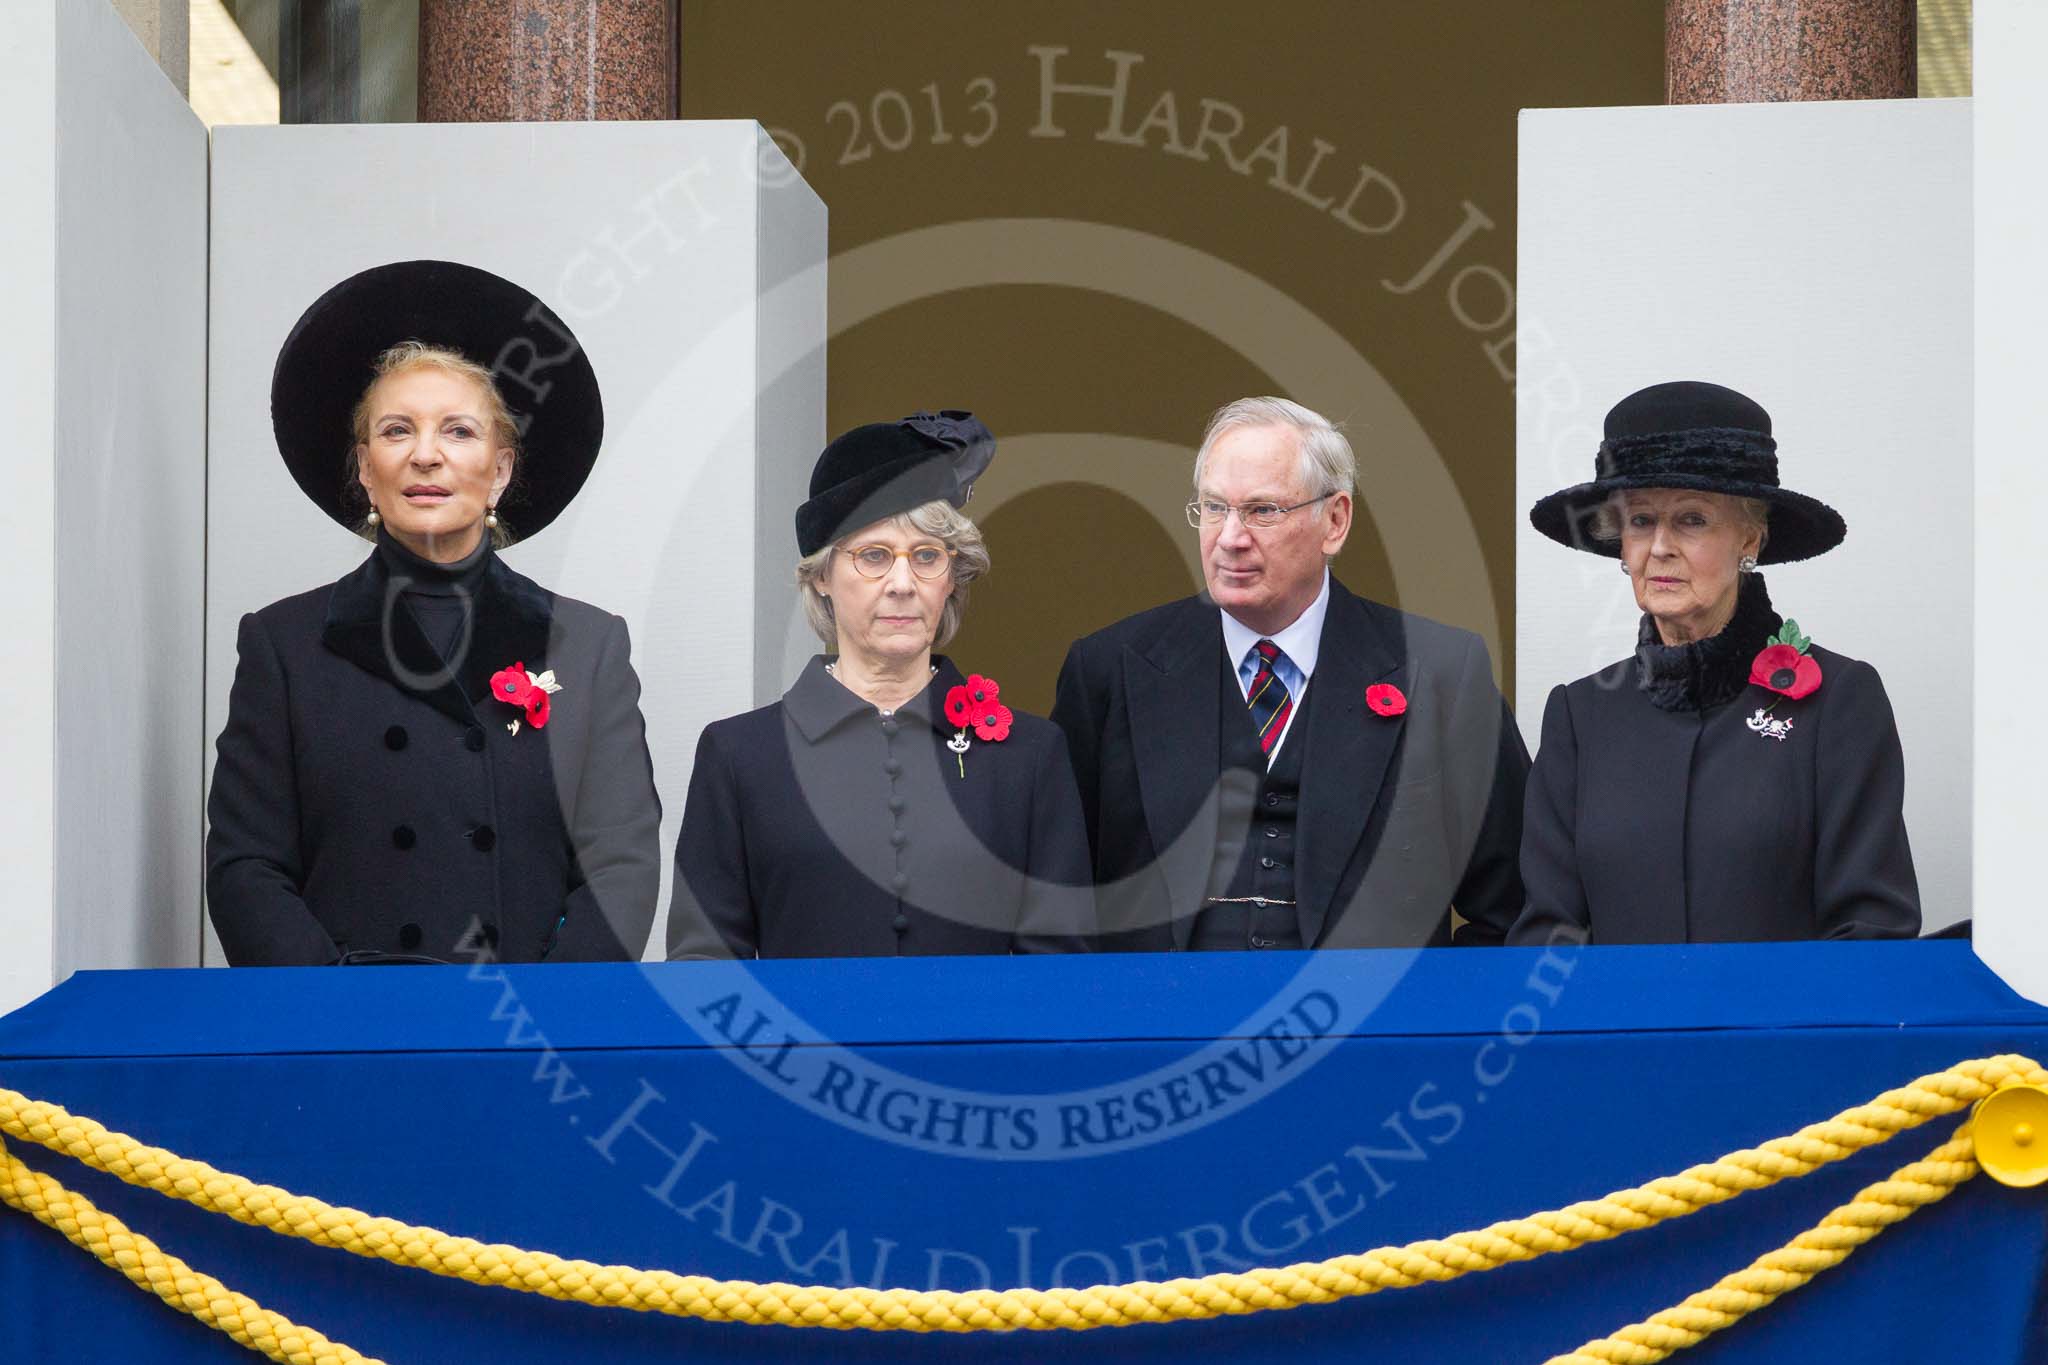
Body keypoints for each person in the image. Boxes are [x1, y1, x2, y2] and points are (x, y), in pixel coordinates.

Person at [206, 260, 662, 964]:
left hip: (529, 1040)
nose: (426, 455)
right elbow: (246, 868)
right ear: (364, 467)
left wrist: (550, 1014)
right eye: (396, 431)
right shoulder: (282, 645)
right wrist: (342, 1011)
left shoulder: (587, 644)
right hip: (348, 1038)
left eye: (457, 431)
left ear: (501, 470)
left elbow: (621, 865)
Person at [1052, 397, 1528, 951]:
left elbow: (1511, 911)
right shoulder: (1109, 671)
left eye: (1262, 511)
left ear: (1335, 520)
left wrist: (1428, 1023)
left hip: (1370, 1030)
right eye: (1213, 508)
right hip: (1165, 1030)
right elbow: (1059, 905)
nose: (1230, 537)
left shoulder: (1443, 674)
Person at [667, 411, 1095, 958]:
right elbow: (705, 963)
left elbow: (1059, 973)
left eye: (926, 557)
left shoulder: (1030, 757)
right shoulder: (740, 756)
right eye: (873, 556)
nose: (901, 584)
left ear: (951, 577)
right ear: (821, 576)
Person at [1511, 380, 1920, 944]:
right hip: (1617, 1031)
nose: (1659, 548)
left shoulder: (1841, 698)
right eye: (1640, 521)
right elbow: (1545, 935)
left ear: (1751, 536)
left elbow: (1872, 929)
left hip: (1783, 1032)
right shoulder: (1580, 715)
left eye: (1692, 520)